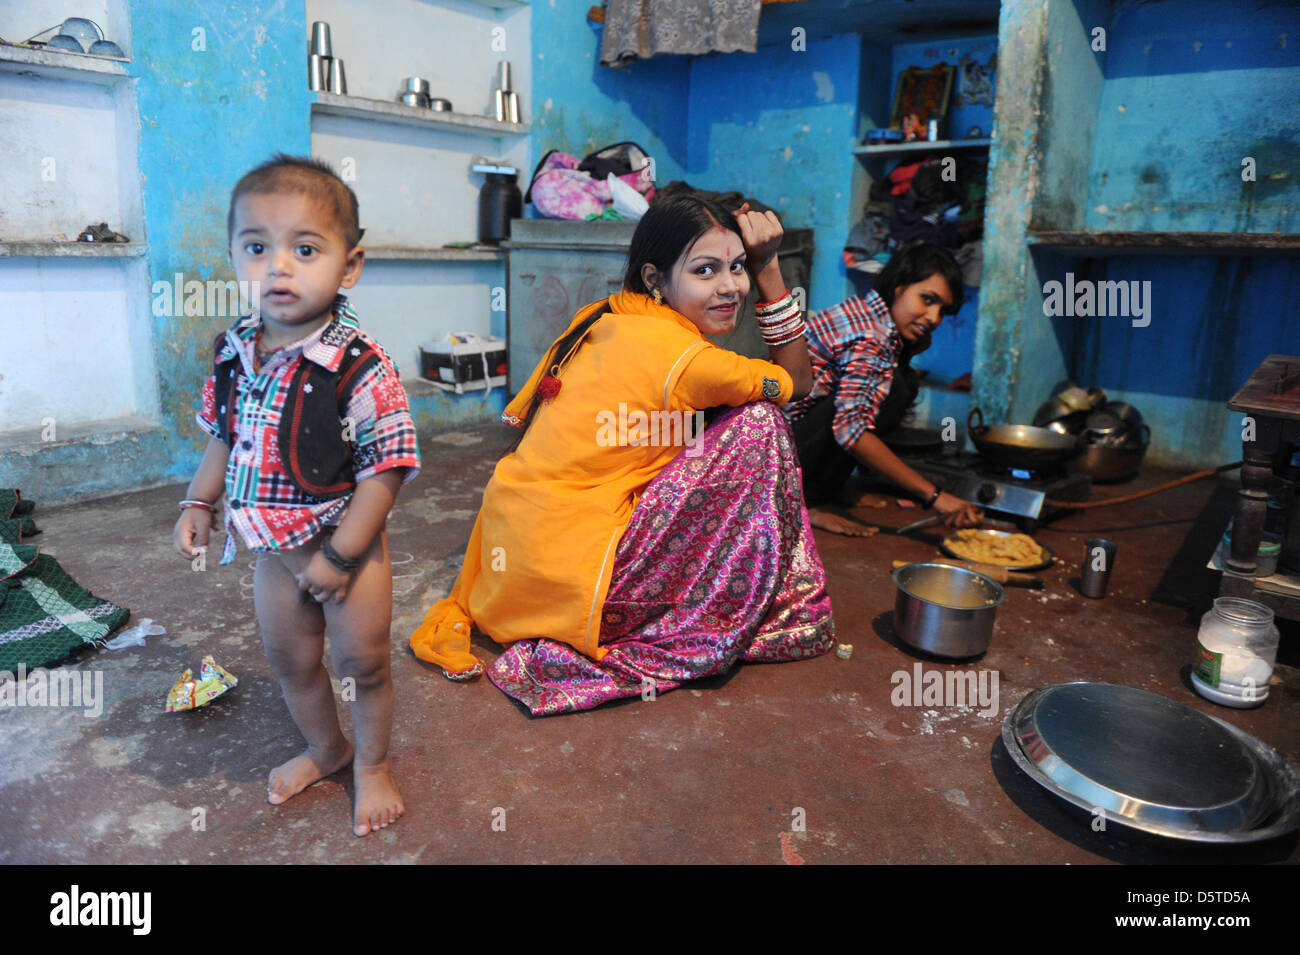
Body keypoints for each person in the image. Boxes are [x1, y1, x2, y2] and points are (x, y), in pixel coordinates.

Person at [409, 194, 835, 715]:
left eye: (738, 266)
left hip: (512, 567)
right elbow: (799, 382)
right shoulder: (693, 360)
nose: (729, 287)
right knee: (759, 423)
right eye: (706, 270)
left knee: (710, 423)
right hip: (575, 585)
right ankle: (714, 610)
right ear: (655, 278)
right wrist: (770, 269)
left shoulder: (602, 314)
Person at [172, 155, 420, 836]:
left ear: (350, 265)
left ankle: (370, 764)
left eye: (304, 249)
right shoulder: (233, 352)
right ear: (233, 256)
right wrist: (199, 501)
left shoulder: (359, 364)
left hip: (346, 549)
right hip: (269, 549)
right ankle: (326, 747)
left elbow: (387, 469)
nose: (278, 267)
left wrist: (340, 559)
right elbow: (223, 435)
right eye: (257, 248)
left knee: (362, 662)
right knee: (291, 658)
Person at [785, 243, 983, 536]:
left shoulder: (871, 314)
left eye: (943, 310)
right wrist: (934, 496)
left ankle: (829, 489)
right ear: (899, 287)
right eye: (927, 299)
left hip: (787, 442)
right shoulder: (872, 334)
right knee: (891, 393)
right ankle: (804, 504)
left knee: (893, 386)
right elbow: (850, 431)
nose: (933, 318)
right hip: (773, 456)